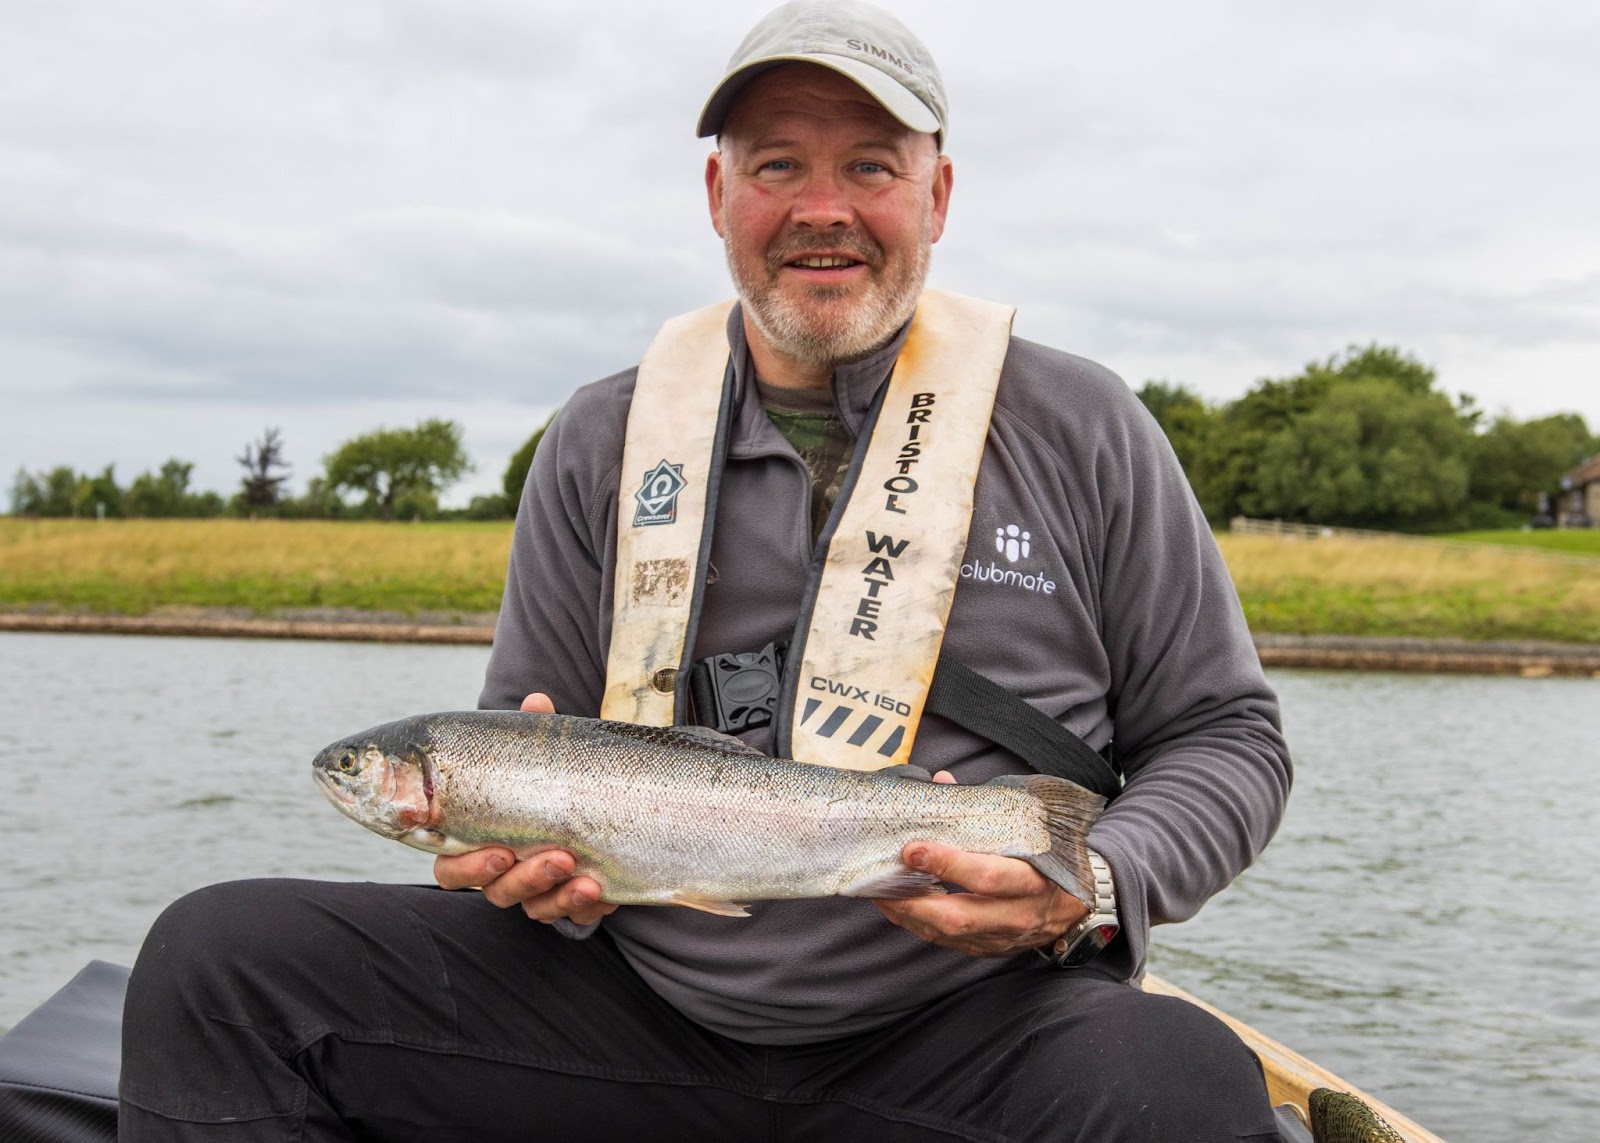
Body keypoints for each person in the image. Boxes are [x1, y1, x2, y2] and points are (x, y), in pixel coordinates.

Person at [117, 2, 1292, 1140]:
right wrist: (516, 867)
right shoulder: (598, 439)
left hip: (971, 1030)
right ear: (716, 195)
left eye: (871, 168)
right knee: (214, 964)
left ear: (937, 196)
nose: (822, 210)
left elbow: (1227, 735)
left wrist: (1090, 883)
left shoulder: (1081, 423)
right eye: (776, 165)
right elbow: (516, 730)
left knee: (1182, 1081)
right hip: (620, 1015)